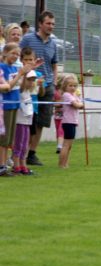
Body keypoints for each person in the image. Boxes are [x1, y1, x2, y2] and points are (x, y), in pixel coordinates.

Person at [20, 10, 58, 166]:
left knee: (42, 121)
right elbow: (18, 57)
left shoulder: (53, 43)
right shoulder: (28, 39)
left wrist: (54, 82)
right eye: (48, 23)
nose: (51, 26)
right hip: (30, 85)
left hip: (47, 86)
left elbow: (54, 65)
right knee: (27, 120)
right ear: (40, 24)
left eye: (53, 24)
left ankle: (32, 154)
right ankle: (21, 152)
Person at [0, 43, 31, 177]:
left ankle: (5, 164)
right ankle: (2, 165)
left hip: (15, 104)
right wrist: (19, 74)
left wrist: (25, 74)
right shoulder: (2, 68)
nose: (15, 56)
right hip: (5, 105)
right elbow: (7, 87)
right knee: (4, 138)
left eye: (17, 54)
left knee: (10, 140)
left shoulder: (15, 68)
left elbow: (21, 88)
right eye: (13, 53)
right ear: (5, 53)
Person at [12, 70, 38, 175]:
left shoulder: (28, 92)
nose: (31, 82)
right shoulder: (21, 90)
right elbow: (21, 86)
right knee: (19, 144)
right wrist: (24, 73)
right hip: (19, 121)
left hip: (27, 122)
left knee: (25, 144)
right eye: (29, 80)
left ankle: (23, 164)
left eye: (33, 80)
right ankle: (16, 165)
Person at [59, 74, 83, 168]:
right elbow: (77, 105)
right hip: (68, 122)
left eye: (74, 86)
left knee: (70, 145)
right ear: (65, 86)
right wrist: (79, 104)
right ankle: (61, 164)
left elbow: (80, 103)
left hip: (73, 121)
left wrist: (79, 102)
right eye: (70, 86)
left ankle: (66, 163)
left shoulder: (74, 95)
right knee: (66, 144)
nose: (73, 88)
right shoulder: (66, 95)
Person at [53, 75, 64, 154]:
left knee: (61, 129)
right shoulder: (55, 90)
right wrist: (58, 104)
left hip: (65, 113)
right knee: (57, 130)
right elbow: (52, 102)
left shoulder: (66, 90)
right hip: (57, 113)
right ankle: (59, 145)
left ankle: (60, 146)